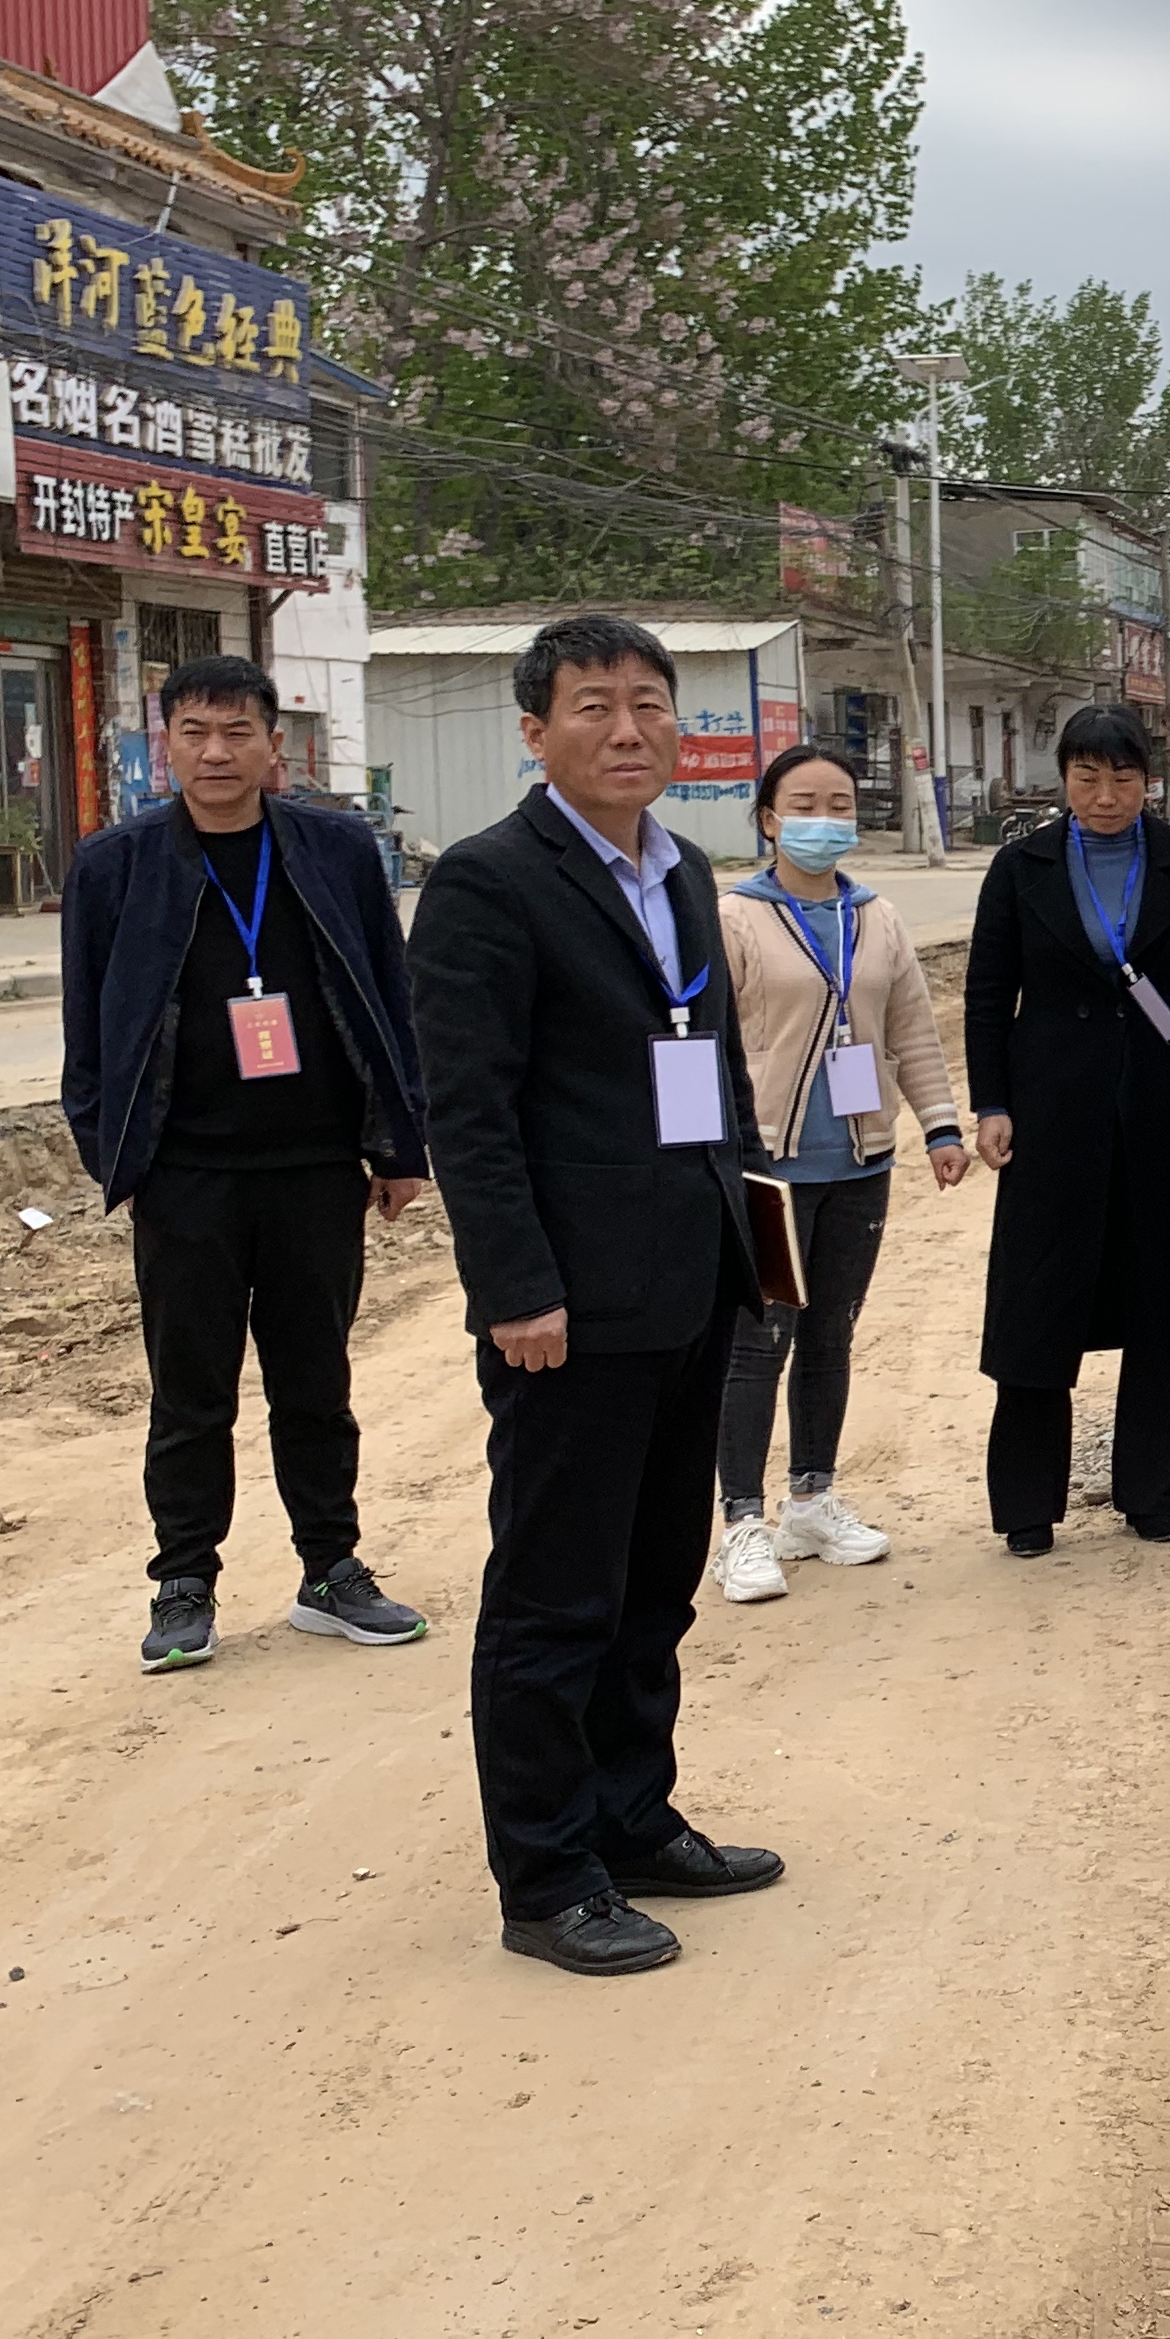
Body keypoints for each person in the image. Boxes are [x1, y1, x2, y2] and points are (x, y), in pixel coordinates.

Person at [409, 615, 781, 1978]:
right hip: (564, 1308)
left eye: (648, 706)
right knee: (555, 1597)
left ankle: (631, 1816)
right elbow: (473, 1110)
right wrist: (515, 1287)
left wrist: (749, 1248)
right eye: (592, 707)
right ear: (534, 728)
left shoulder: (683, 875)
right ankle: (548, 1872)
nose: (627, 731)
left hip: (684, 1284)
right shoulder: (488, 885)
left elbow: (714, 1077)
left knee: (651, 1585)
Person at [60, 654, 432, 1674]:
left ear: (276, 745)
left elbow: (387, 999)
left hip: (316, 1168)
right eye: (194, 732)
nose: (215, 751)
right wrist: (115, 1154)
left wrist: (399, 1144)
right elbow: (85, 1028)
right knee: (191, 1393)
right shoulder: (117, 864)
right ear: (164, 744)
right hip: (186, 1177)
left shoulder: (336, 849)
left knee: (316, 1382)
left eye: (236, 732)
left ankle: (331, 1571)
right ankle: (184, 1584)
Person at [961, 705, 1170, 1552]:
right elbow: (988, 994)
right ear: (1064, 777)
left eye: (1124, 778)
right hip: (1050, 1113)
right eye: (1088, 777)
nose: (1106, 795)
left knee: (1159, 1296)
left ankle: (1155, 1492)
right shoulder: (1019, 866)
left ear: (1150, 780)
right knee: (1037, 1298)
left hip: (1161, 1109)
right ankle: (1026, 1507)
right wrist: (992, 1103)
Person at [710, 743, 971, 1603]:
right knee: (761, 1341)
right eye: (805, 802)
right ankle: (741, 1519)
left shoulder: (877, 917)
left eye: (841, 803)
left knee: (831, 1335)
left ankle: (811, 1499)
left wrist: (938, 1126)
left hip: (858, 1162)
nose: (826, 818)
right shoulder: (735, 917)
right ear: (769, 817)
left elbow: (911, 1034)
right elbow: (700, 1042)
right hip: (770, 1169)